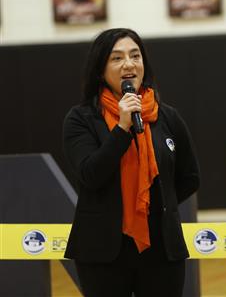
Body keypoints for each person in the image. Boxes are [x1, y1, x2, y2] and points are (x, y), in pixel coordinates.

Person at [62, 28, 200, 297]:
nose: (128, 63)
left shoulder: (167, 117)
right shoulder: (81, 119)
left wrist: (157, 205)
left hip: (162, 247)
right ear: (100, 70)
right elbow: (90, 174)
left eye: (135, 55)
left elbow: (190, 177)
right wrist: (122, 129)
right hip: (103, 250)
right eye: (116, 58)